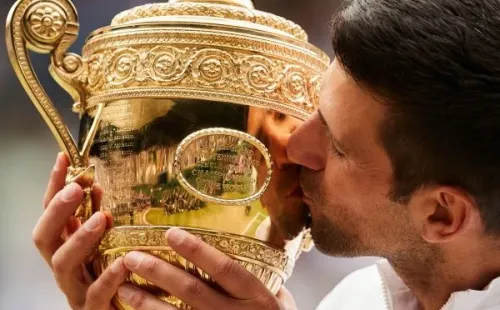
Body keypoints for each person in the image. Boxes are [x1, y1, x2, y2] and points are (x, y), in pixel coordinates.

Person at [32, 0, 500, 309]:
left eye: (337, 147)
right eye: (314, 110)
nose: (294, 146)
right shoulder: (357, 300)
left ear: (442, 213)